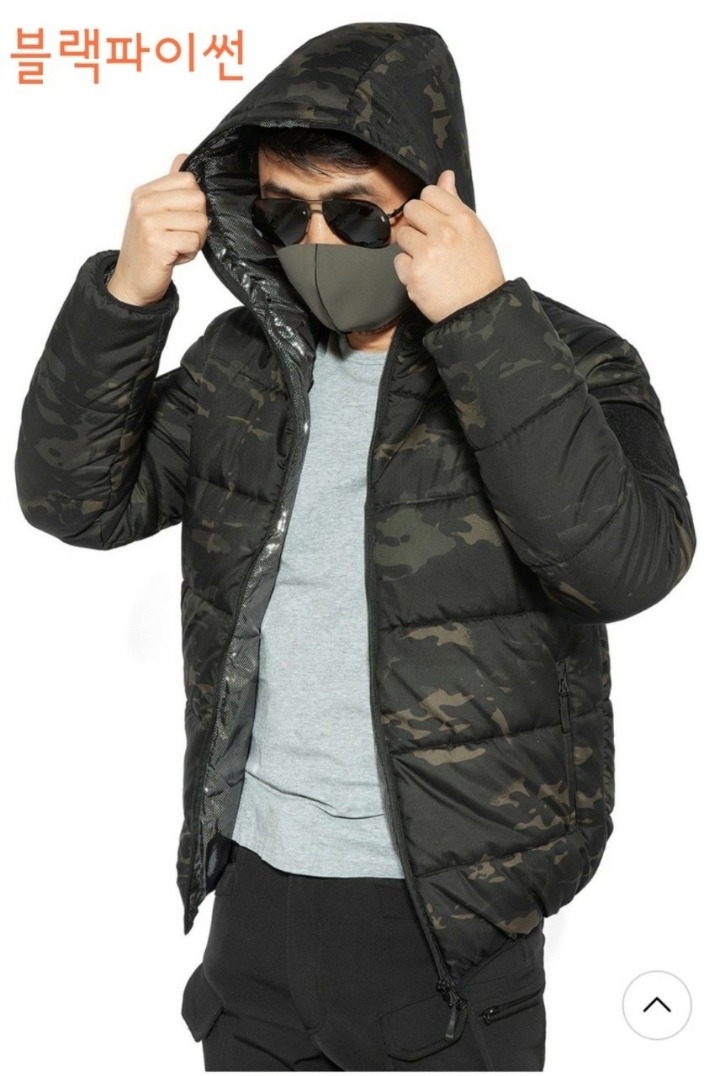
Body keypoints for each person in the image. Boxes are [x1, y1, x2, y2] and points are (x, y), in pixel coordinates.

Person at [15, 21, 696, 1073]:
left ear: (432, 200)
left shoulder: (567, 357)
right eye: (285, 213)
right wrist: (127, 294)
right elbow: (74, 500)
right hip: (254, 906)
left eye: (355, 214)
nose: (319, 243)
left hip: (443, 927)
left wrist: (483, 319)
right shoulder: (240, 364)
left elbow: (625, 566)